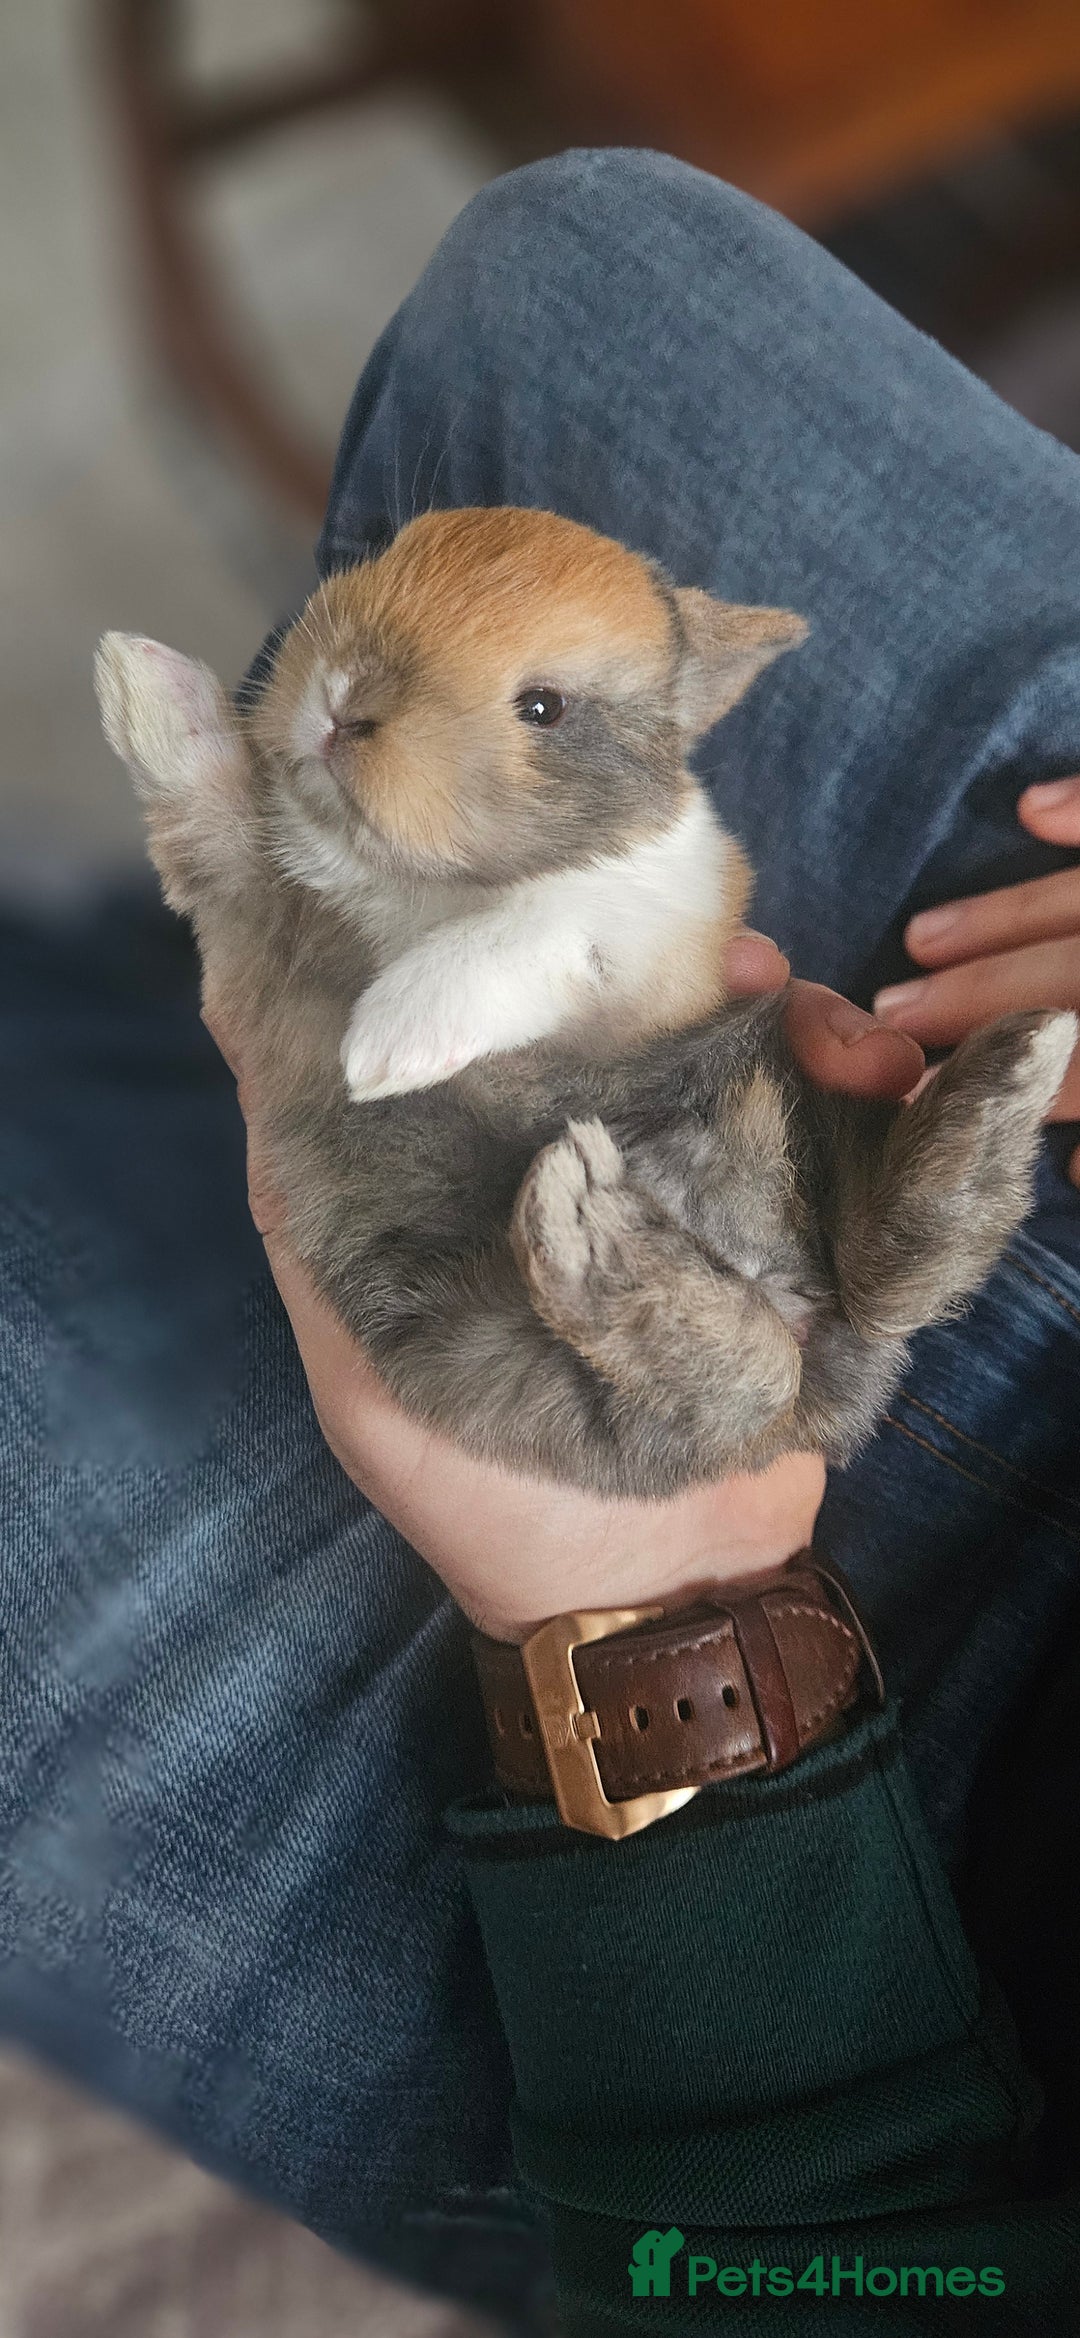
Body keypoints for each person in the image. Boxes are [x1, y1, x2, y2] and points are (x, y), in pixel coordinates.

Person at [2, 148, 1079, 2334]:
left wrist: (661, 1622)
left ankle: (210, 949)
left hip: (785, 1959)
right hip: (899, 1177)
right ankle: (226, 939)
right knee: (579, 277)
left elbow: (830, 2270)